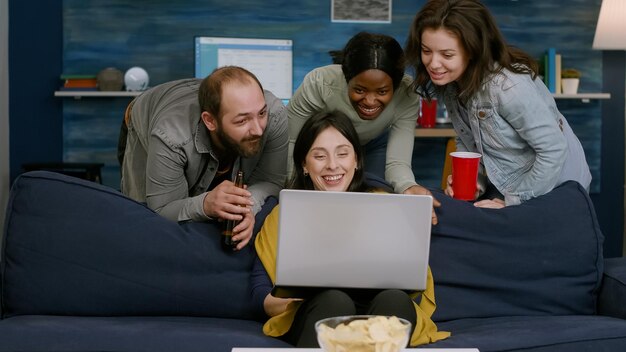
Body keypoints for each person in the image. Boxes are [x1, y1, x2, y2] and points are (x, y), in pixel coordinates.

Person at [251, 112, 449, 347]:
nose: (332, 165)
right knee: (334, 301)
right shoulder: (284, 214)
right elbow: (260, 295)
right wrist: (292, 297)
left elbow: (413, 282)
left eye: (343, 154)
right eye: (319, 156)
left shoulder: (387, 206)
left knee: (395, 299)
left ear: (356, 160)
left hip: (379, 308)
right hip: (315, 311)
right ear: (304, 164)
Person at [405, 0, 592, 208]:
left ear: (473, 51)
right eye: (426, 51)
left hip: (558, 193)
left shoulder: (507, 87)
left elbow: (554, 149)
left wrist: (513, 202)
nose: (433, 63)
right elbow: (468, 141)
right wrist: (475, 179)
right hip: (513, 189)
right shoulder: (453, 85)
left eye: (447, 54)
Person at [119, 66, 288, 249]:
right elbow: (161, 210)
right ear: (210, 121)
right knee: (142, 223)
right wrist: (206, 204)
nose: (258, 130)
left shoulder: (275, 115)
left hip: (199, 111)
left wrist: (247, 208)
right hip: (145, 116)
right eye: (242, 120)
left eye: (261, 113)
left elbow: (270, 180)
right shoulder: (169, 136)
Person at [287, 31, 441, 223]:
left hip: (375, 143)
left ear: (396, 85)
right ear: (346, 79)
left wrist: (407, 186)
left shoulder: (407, 94)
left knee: (372, 205)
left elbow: (397, 163)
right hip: (327, 151)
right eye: (359, 90)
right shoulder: (319, 84)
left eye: (382, 91)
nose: (369, 101)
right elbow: (291, 141)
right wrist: (290, 195)